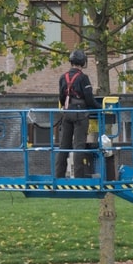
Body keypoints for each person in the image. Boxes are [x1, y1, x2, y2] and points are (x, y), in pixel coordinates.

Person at [54, 50, 101, 178]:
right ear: (83, 62)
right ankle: (79, 177)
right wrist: (101, 108)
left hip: (67, 113)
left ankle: (58, 176)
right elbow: (89, 99)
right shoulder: (83, 78)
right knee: (79, 146)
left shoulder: (63, 77)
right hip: (80, 114)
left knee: (64, 146)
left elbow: (61, 98)